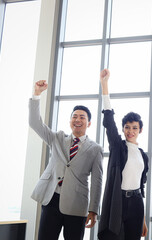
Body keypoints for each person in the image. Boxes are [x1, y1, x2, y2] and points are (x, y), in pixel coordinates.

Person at [29, 80, 103, 240]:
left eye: (82, 117)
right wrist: (36, 94)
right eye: (74, 116)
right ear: (70, 121)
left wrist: (93, 209)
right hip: (51, 199)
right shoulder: (57, 138)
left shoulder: (95, 149)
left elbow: (97, 180)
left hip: (77, 205)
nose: (78, 119)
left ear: (89, 123)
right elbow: (35, 123)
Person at [98, 69, 149, 240]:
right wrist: (104, 85)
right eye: (127, 127)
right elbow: (109, 122)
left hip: (136, 203)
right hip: (118, 201)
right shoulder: (118, 146)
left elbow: (140, 186)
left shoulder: (143, 155)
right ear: (123, 129)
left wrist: (142, 219)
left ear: (140, 129)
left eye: (134, 127)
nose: (130, 131)